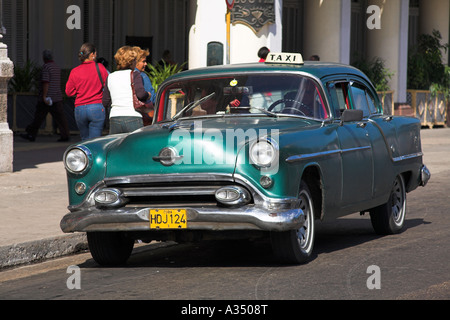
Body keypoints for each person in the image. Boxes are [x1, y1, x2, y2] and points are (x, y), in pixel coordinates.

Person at [21, 50, 70, 142]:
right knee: (60, 117)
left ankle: (31, 133)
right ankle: (65, 134)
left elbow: (46, 82)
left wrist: (44, 96)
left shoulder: (46, 67)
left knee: (39, 117)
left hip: (47, 98)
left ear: (44, 58)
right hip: (57, 96)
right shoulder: (56, 67)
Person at [65, 43, 109, 141]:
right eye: (95, 53)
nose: (96, 55)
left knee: (84, 139)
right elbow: (108, 85)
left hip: (80, 109)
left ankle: (84, 156)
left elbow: (69, 92)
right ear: (92, 54)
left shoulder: (74, 71)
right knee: (94, 141)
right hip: (96, 107)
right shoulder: (100, 67)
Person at [102, 46, 150, 134]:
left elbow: (105, 102)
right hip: (133, 116)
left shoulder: (110, 76)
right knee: (135, 146)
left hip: (114, 118)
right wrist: (148, 95)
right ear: (131, 61)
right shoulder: (134, 74)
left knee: (116, 146)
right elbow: (141, 94)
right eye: (135, 60)